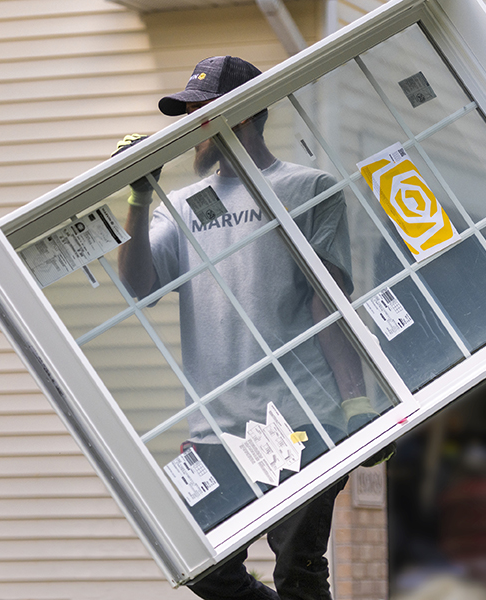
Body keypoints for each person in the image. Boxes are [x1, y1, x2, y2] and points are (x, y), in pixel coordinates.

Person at [116, 56, 390, 600]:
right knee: (205, 567)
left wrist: (356, 404)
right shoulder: (189, 206)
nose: (190, 130)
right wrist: (139, 198)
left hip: (300, 419)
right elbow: (140, 285)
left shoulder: (307, 189)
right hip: (215, 428)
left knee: (299, 572)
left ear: (241, 116)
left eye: (200, 115)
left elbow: (326, 302)